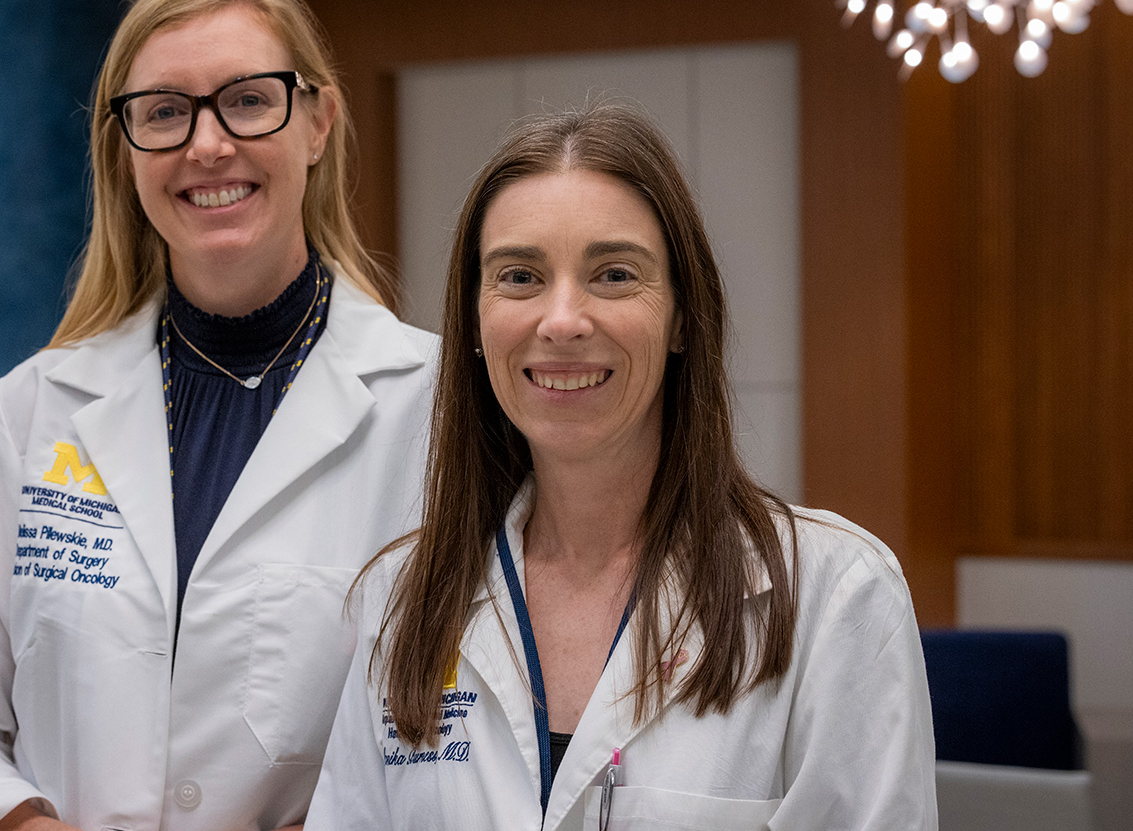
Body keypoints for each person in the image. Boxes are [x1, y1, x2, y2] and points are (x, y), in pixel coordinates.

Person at [0, 0, 436, 831]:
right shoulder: (36, 409)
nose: (207, 146)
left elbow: (468, 745)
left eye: (247, 99)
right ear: (125, 152)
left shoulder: (433, 410)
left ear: (318, 122)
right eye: (165, 112)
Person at [304, 104, 937, 830]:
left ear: (680, 318)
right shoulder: (402, 599)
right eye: (519, 276)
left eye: (613, 274)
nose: (563, 320)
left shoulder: (835, 598)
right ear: (476, 325)